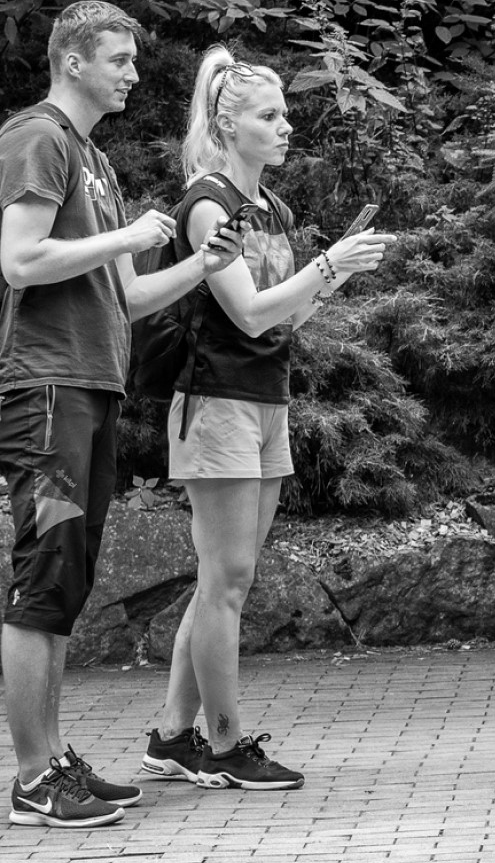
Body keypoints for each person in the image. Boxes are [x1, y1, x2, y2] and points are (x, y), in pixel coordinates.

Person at [0, 1, 243, 829]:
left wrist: (200, 268)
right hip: (45, 387)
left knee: (68, 582)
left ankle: (54, 759)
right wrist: (127, 233)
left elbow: (124, 296)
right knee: (45, 575)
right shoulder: (38, 138)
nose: (134, 73)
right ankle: (33, 778)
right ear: (72, 61)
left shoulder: (91, 158)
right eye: (120, 58)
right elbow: (19, 259)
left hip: (90, 384)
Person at [136, 48, 395, 793]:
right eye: (270, 115)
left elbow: (287, 317)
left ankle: (171, 737)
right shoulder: (208, 203)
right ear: (228, 123)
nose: (287, 126)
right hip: (215, 401)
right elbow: (246, 311)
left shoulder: (272, 209)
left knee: (225, 580)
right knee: (228, 578)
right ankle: (221, 745)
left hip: (264, 399)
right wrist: (324, 266)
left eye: (284, 113)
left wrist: (334, 271)